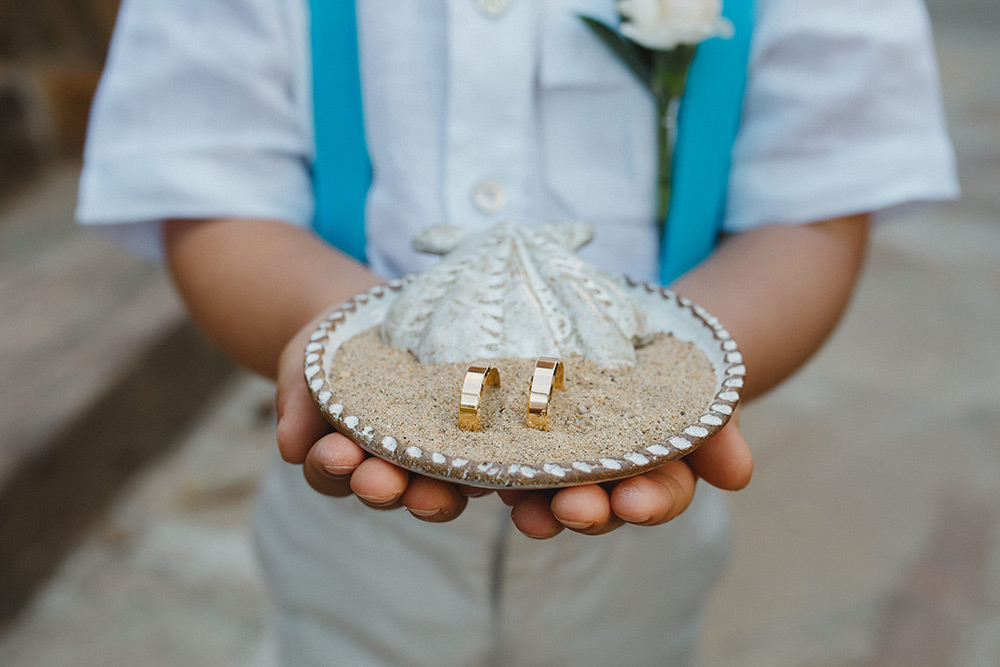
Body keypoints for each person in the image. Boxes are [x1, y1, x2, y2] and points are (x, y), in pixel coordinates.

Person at [77, 0, 958, 664]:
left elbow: (814, 207)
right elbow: (208, 187)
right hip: (342, 532)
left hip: (643, 551)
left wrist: (686, 370)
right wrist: (343, 338)